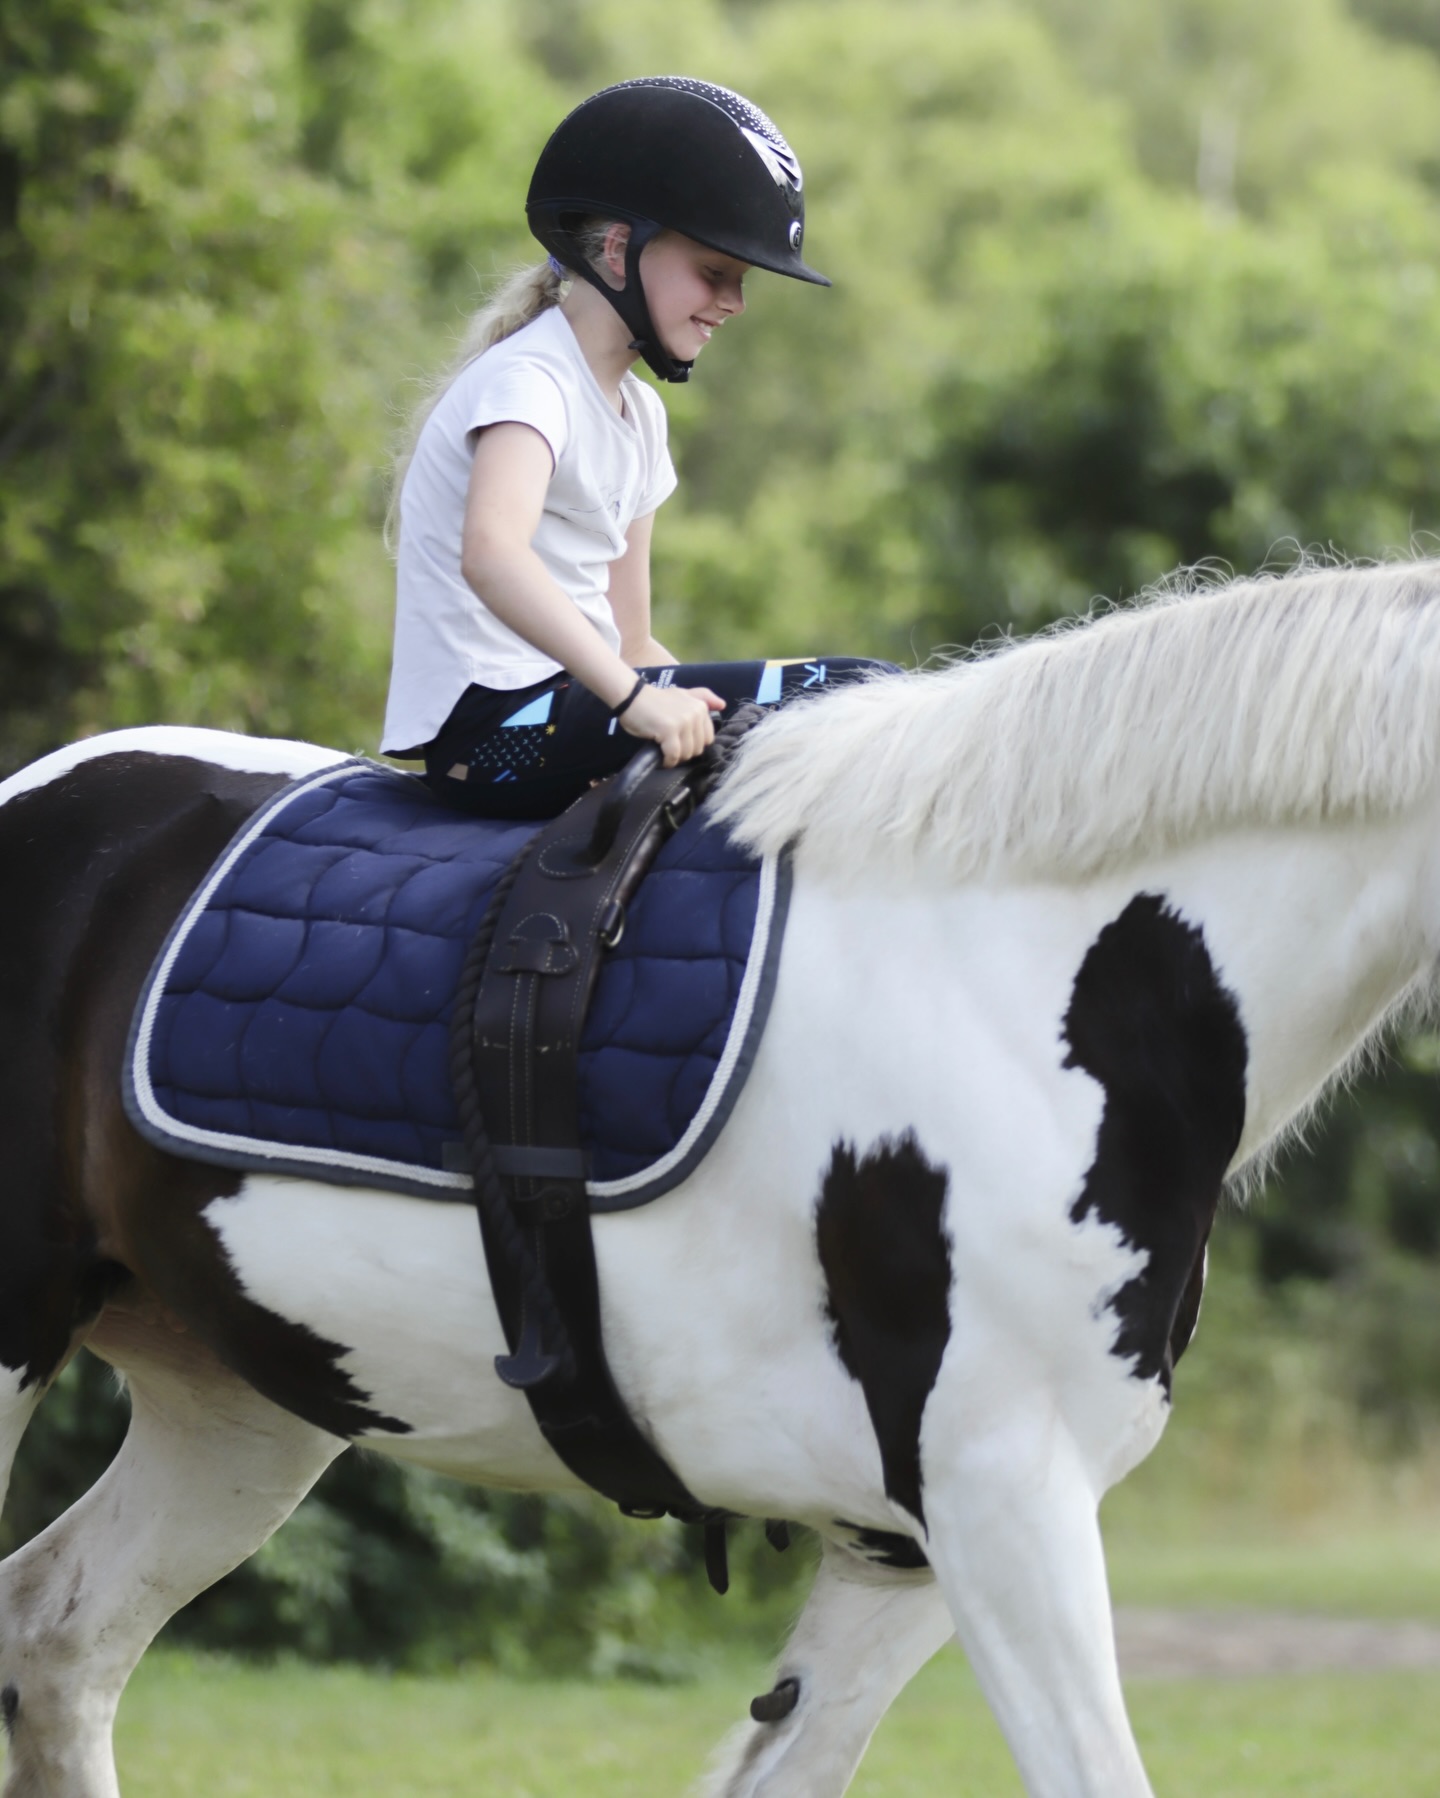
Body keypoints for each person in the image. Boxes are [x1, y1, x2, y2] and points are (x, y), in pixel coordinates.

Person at [381, 76, 892, 819]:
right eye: (715, 273)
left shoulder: (640, 416)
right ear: (619, 251)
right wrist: (632, 702)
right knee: (831, 702)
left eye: (741, 281)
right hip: (489, 732)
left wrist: (680, 698)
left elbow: (632, 638)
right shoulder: (531, 382)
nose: (734, 303)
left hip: (583, 701)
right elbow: (492, 554)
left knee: (862, 686)